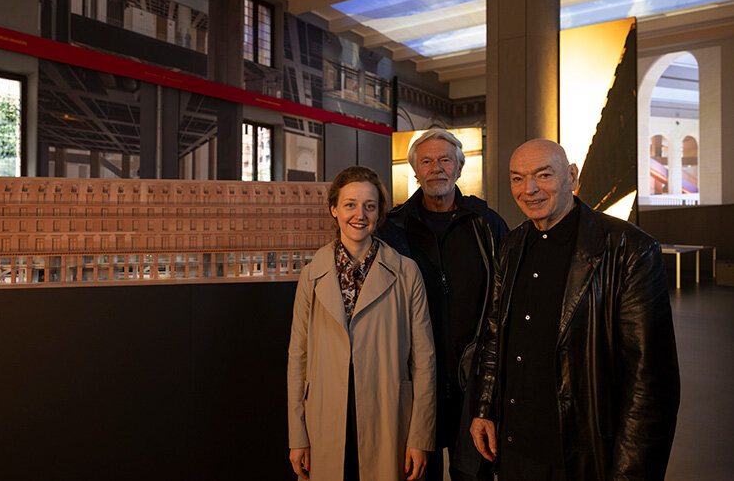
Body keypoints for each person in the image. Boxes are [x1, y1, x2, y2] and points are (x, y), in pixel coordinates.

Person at [467, 139, 680, 480]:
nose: (529, 189)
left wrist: (630, 473)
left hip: (582, 457)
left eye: (543, 175)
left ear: (572, 176)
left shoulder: (628, 250)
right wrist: (484, 408)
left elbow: (651, 381)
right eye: (517, 178)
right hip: (513, 449)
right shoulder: (511, 246)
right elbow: (494, 337)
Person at [287, 165, 436, 481]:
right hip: (325, 419)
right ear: (334, 209)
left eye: (369, 205)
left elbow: (424, 362)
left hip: (387, 418)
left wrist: (420, 437)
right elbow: (297, 360)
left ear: (380, 212)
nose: (360, 214)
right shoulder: (312, 275)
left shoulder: (406, 273)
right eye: (350, 204)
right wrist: (297, 435)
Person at [378, 129, 507, 481]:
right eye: (427, 161)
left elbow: (506, 300)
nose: (436, 168)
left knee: (475, 474)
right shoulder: (393, 229)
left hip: (473, 382)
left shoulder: (487, 224)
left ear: (460, 168)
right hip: (417, 382)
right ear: (415, 171)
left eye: (445, 160)